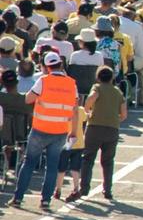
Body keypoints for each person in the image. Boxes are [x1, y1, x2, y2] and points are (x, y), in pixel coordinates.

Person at [10, 53, 78, 210]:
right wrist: (73, 131)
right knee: (52, 166)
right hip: (60, 131)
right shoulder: (71, 84)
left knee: (29, 163)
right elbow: (74, 110)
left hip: (40, 129)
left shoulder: (43, 81)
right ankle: (45, 200)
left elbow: (28, 99)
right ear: (61, 64)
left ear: (46, 67)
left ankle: (18, 198)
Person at [71, 66, 126, 202]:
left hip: (95, 127)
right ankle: (107, 189)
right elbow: (124, 114)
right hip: (112, 129)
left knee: (88, 158)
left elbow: (91, 98)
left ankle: (84, 188)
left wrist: (88, 110)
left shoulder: (97, 87)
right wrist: (115, 119)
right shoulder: (117, 91)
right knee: (108, 161)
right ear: (112, 78)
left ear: (98, 77)